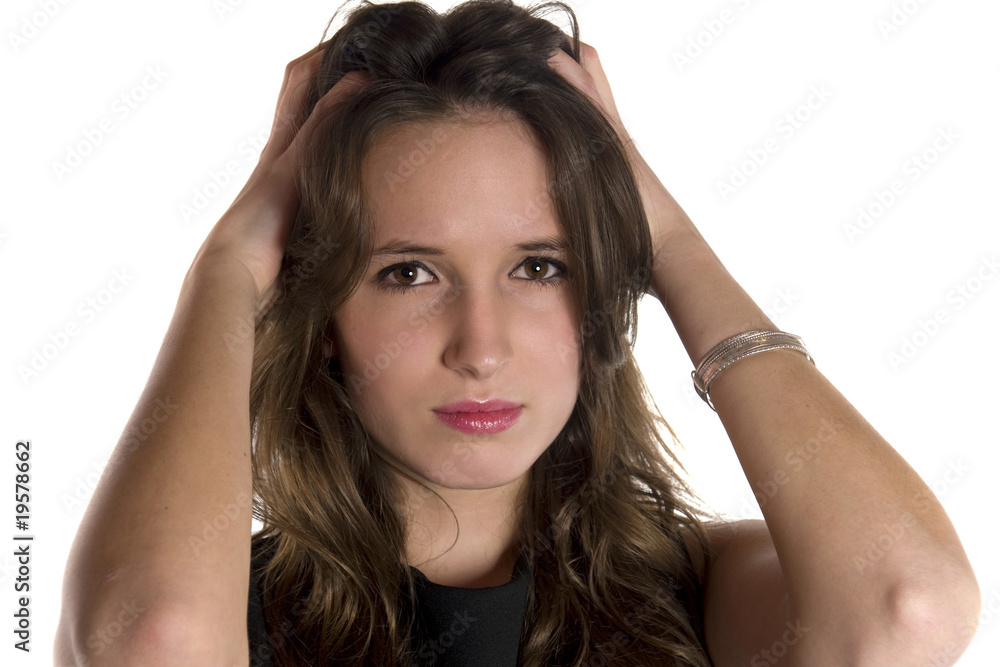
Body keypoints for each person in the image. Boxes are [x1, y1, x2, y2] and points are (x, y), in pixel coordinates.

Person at [55, 1, 980, 665]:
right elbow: (153, 637)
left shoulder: (703, 595)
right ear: (324, 315)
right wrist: (226, 272)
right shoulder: (232, 609)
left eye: (539, 267)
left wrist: (664, 239)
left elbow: (911, 605)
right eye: (409, 272)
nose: (482, 347)